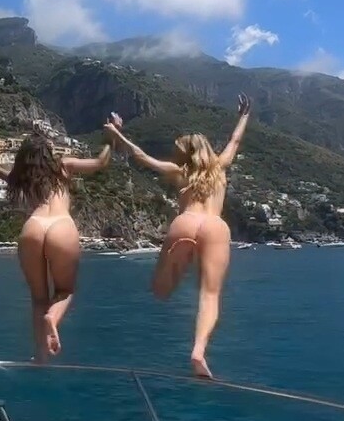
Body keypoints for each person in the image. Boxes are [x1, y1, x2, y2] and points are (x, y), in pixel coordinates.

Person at [104, 97, 251, 379]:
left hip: (185, 222)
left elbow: (141, 156)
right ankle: (198, 351)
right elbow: (234, 140)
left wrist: (116, 133)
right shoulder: (221, 166)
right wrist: (244, 115)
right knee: (210, 294)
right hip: (215, 226)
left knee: (160, 290)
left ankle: (179, 258)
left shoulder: (180, 172)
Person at [0, 127, 114, 361]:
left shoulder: (25, 177)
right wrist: (112, 136)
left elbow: (8, 177)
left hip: (33, 227)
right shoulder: (63, 165)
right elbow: (101, 162)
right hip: (61, 226)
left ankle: (40, 354)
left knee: (38, 298)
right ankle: (52, 317)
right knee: (65, 290)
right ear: (47, 152)